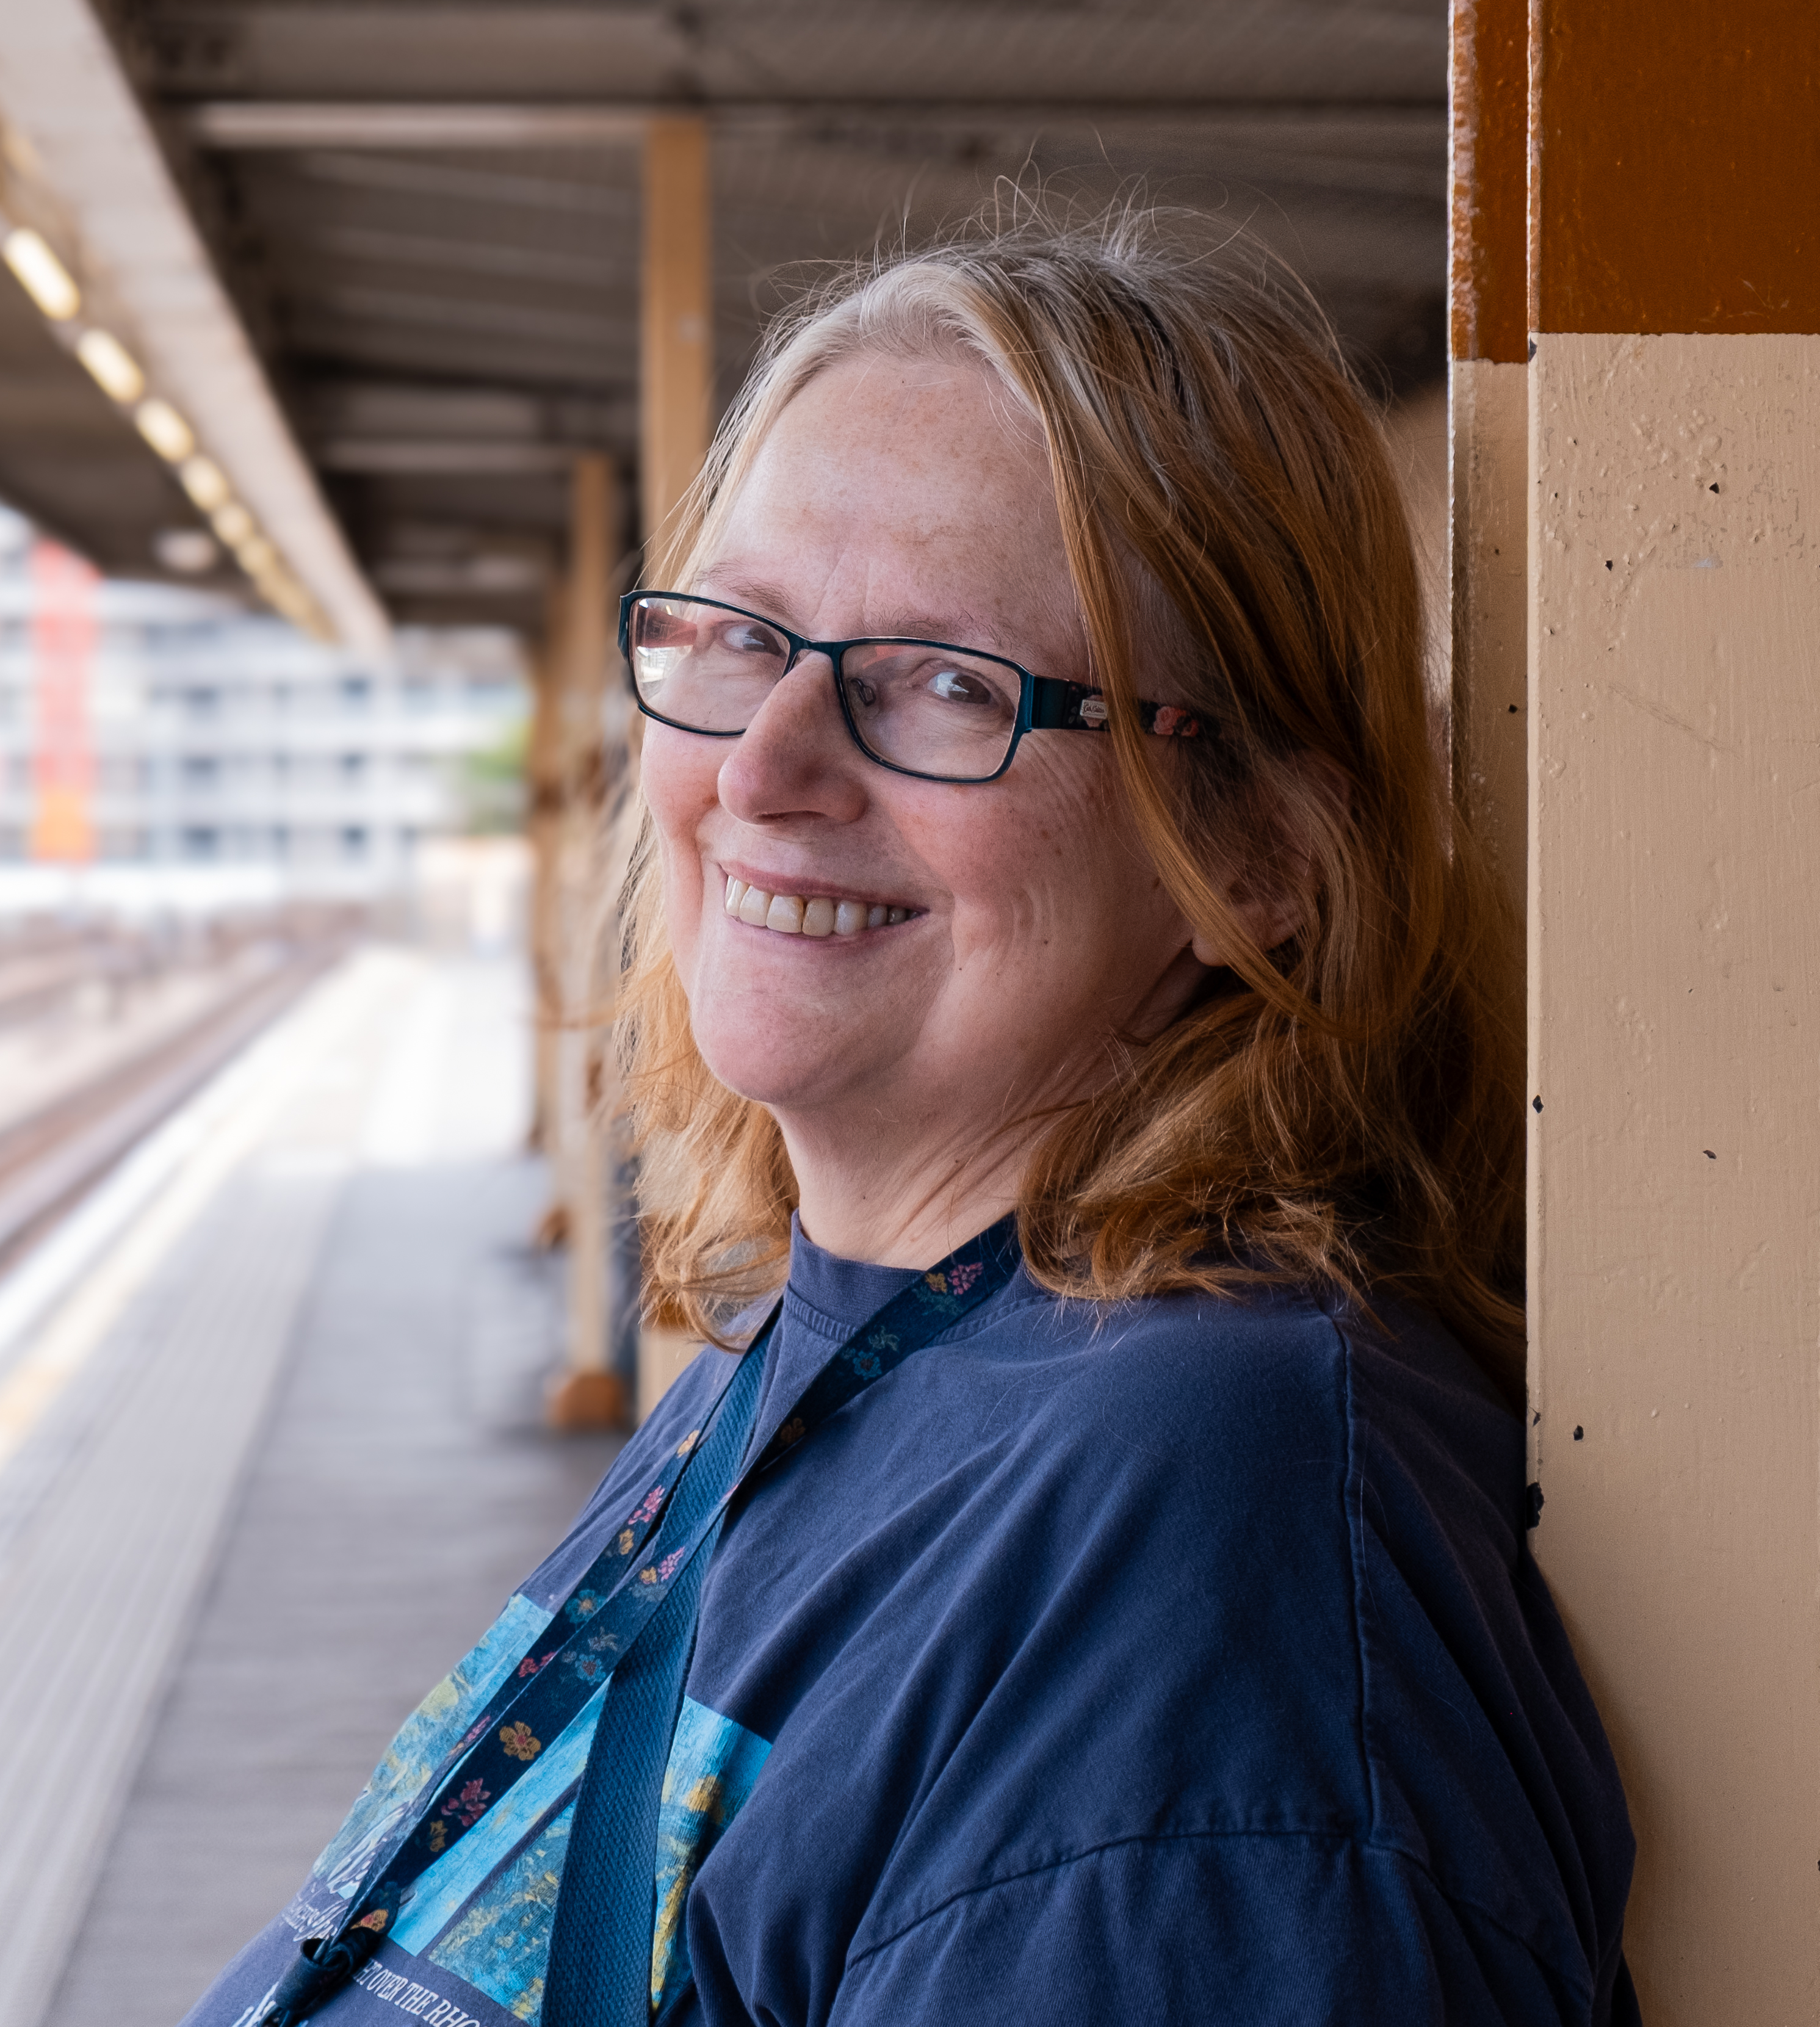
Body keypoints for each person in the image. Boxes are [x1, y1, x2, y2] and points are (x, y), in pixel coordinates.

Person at [184, 210, 1637, 2026]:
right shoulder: (837, 1343)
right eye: (739, 637)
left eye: (946, 683)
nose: (768, 768)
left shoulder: (1204, 1546)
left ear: (1255, 854)